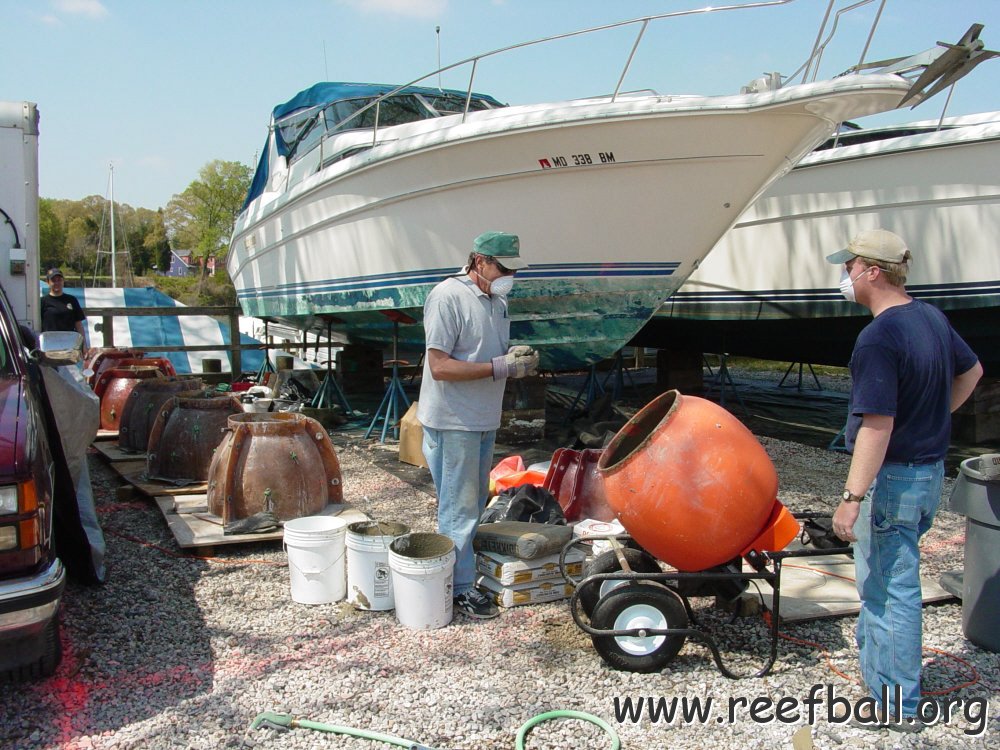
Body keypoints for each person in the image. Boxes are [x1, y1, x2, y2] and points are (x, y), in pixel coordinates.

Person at [828, 229, 982, 731]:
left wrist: (851, 497)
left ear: (872, 271)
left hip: (891, 481)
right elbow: (973, 372)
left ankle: (898, 706)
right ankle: (881, 684)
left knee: (890, 589)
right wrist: (935, 416)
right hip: (928, 473)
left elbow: (877, 425)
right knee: (886, 582)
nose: (844, 276)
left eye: (848, 266)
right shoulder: (931, 317)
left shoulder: (878, 337)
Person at [418, 231, 539, 619]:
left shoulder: (498, 301)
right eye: (503, 267)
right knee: (459, 509)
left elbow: (484, 353)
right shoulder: (447, 297)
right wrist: (500, 366)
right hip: (454, 420)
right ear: (479, 260)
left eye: (513, 269)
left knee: (469, 502)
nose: (509, 275)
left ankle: (456, 577)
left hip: (482, 417)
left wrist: (512, 357)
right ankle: (459, 589)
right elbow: (439, 366)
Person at [40, 268, 86, 336]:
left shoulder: (72, 300)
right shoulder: (43, 301)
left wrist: (84, 344)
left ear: (63, 281)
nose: (57, 283)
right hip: (50, 342)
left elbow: (78, 324)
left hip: (69, 342)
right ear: (48, 282)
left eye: (59, 280)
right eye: (53, 280)